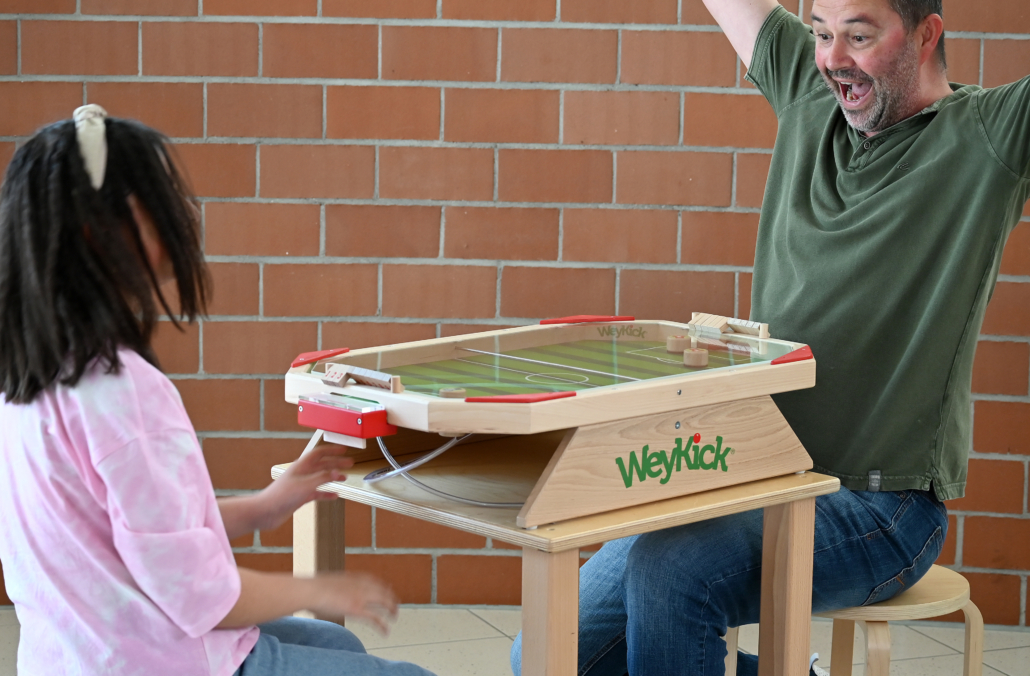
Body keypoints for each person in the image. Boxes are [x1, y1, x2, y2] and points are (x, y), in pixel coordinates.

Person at [510, 0, 1029, 674]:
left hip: (881, 507)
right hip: (745, 476)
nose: (833, 57)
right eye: (820, 34)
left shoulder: (990, 135)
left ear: (927, 34)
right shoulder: (810, 95)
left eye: (860, 36)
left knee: (673, 576)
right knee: (548, 654)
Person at [0, 105, 436, 676]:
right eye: (158, 200)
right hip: (160, 661)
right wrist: (326, 589)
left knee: (341, 648)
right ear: (100, 234)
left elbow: (142, 534)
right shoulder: (123, 394)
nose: (179, 211)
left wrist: (266, 507)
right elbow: (203, 596)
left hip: (76, 654)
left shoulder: (29, 379)